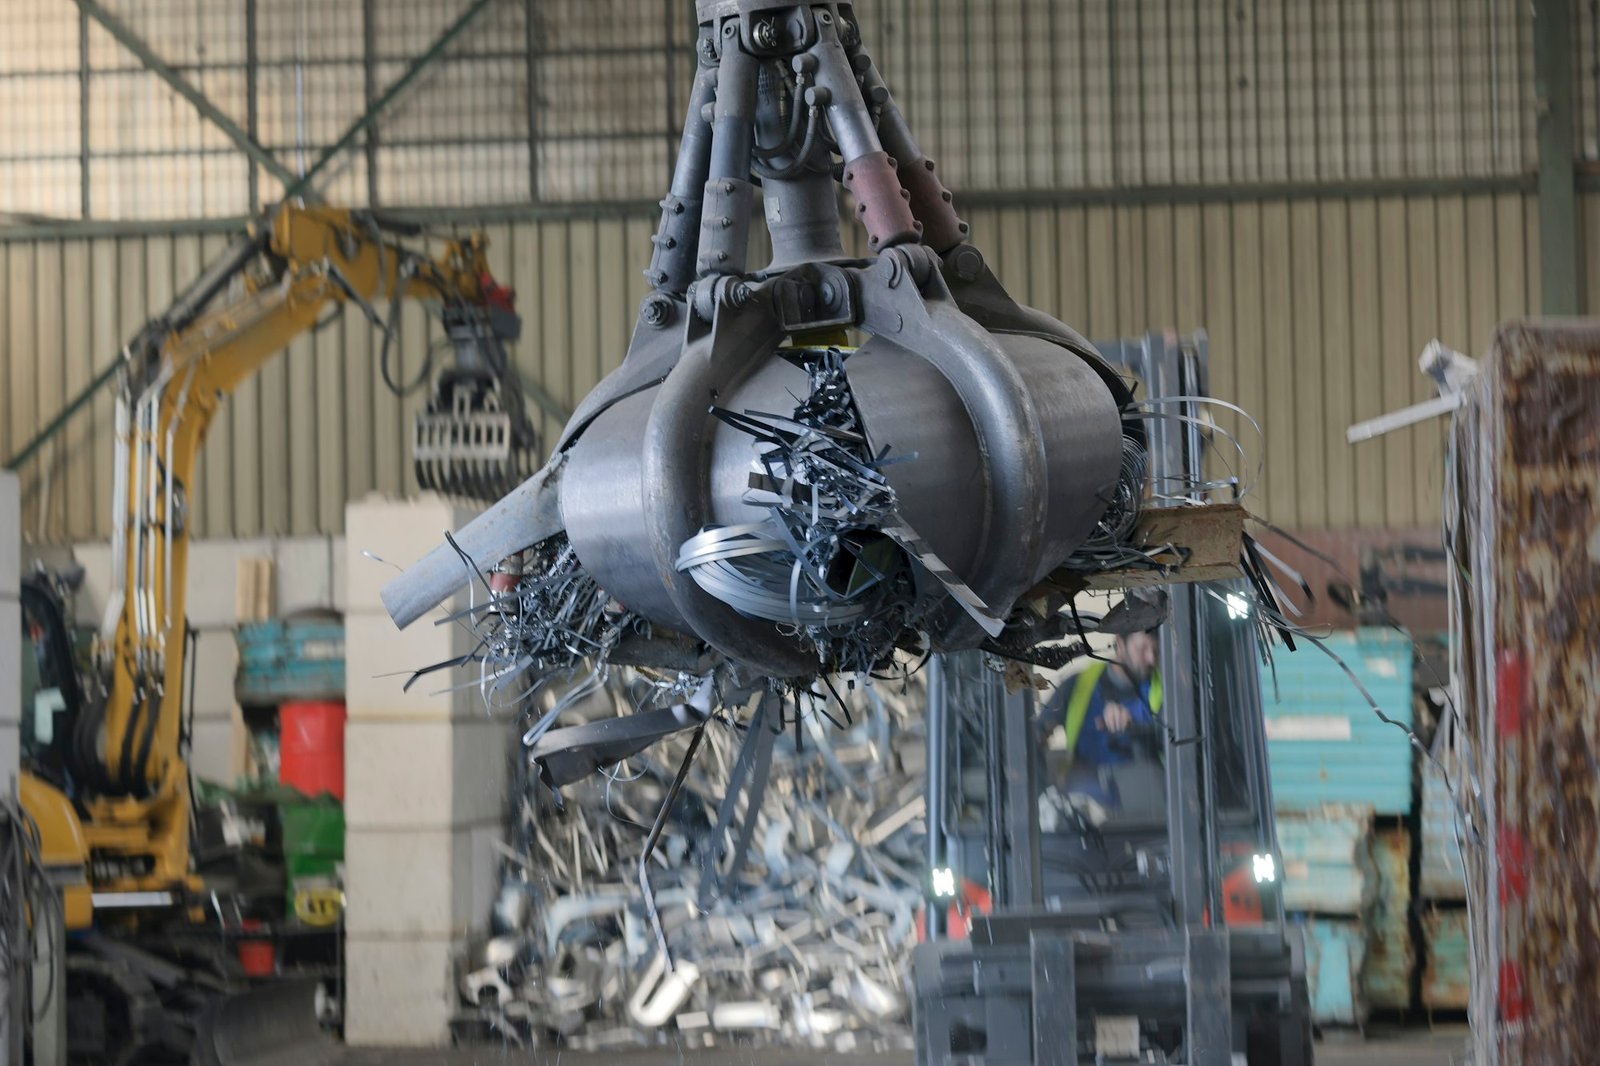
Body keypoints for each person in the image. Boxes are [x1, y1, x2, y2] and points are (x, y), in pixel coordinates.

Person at [1044, 629, 1163, 812]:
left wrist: (1136, 729)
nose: (1151, 659)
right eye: (1143, 648)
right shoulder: (1077, 685)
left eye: (1155, 650)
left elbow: (1174, 744)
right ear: (1120, 644)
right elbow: (1038, 730)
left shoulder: (1165, 689)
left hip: (1148, 810)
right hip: (1087, 812)